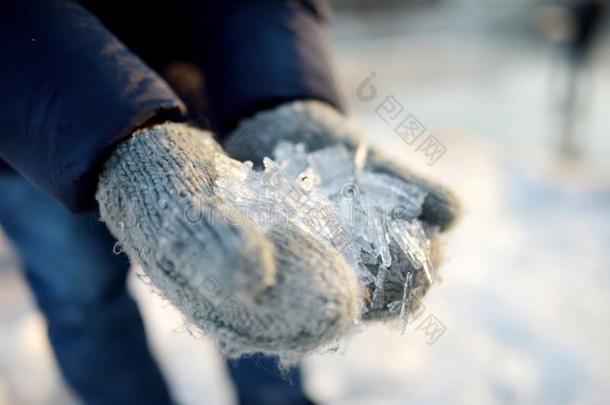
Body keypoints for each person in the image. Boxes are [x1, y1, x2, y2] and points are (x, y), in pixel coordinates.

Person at [0, 1, 459, 404]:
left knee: (263, 276)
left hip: (205, 86)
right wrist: (125, 143)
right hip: (25, 134)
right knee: (81, 298)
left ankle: (276, 401)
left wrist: (287, 95)